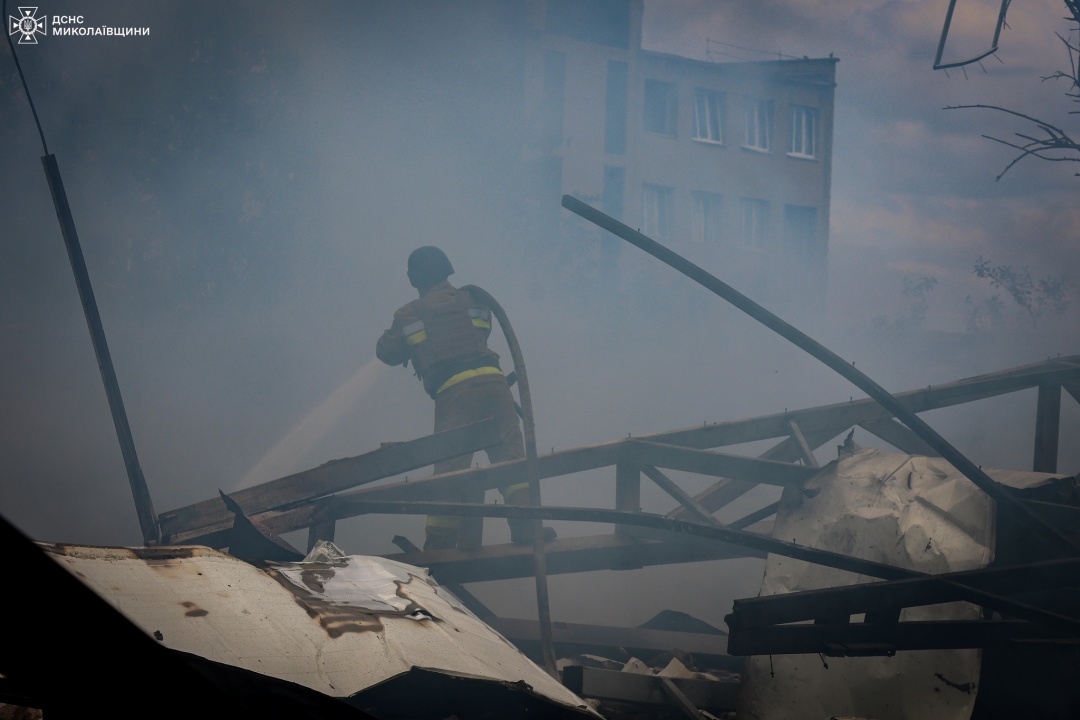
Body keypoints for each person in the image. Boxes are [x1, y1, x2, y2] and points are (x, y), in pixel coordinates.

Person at [376, 246, 556, 551]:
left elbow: (386, 352)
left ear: (414, 277)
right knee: (511, 461)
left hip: (455, 393)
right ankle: (526, 527)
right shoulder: (474, 299)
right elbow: (480, 334)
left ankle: (440, 544)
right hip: (494, 385)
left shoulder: (410, 313)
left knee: (450, 470)